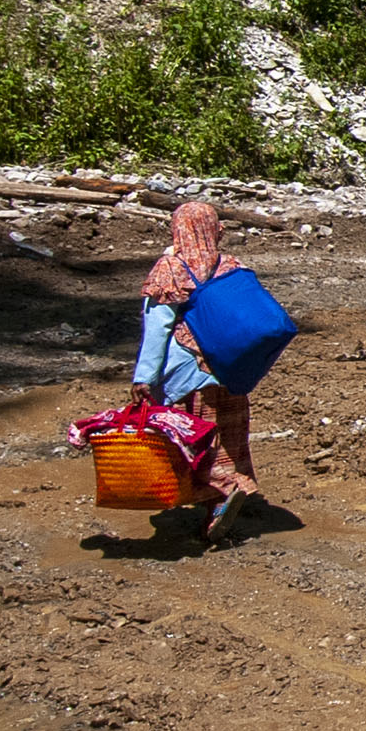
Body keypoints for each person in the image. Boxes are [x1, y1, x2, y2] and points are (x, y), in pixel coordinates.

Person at [135, 197, 263, 538]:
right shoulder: (232, 266)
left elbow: (158, 327)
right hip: (229, 370)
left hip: (188, 373)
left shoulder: (170, 271)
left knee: (192, 441)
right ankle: (224, 496)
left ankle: (221, 491)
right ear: (216, 230)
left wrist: (144, 377)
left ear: (177, 230)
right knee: (228, 438)